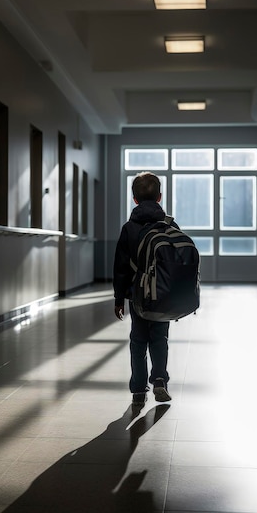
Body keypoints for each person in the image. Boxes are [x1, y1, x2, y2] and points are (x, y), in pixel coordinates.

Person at [113, 171, 172, 408]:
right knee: (160, 337)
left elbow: (120, 267)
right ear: (159, 197)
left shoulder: (129, 228)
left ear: (134, 199)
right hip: (162, 296)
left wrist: (119, 298)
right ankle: (159, 379)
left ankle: (138, 390)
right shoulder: (169, 225)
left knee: (138, 340)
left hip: (138, 295)